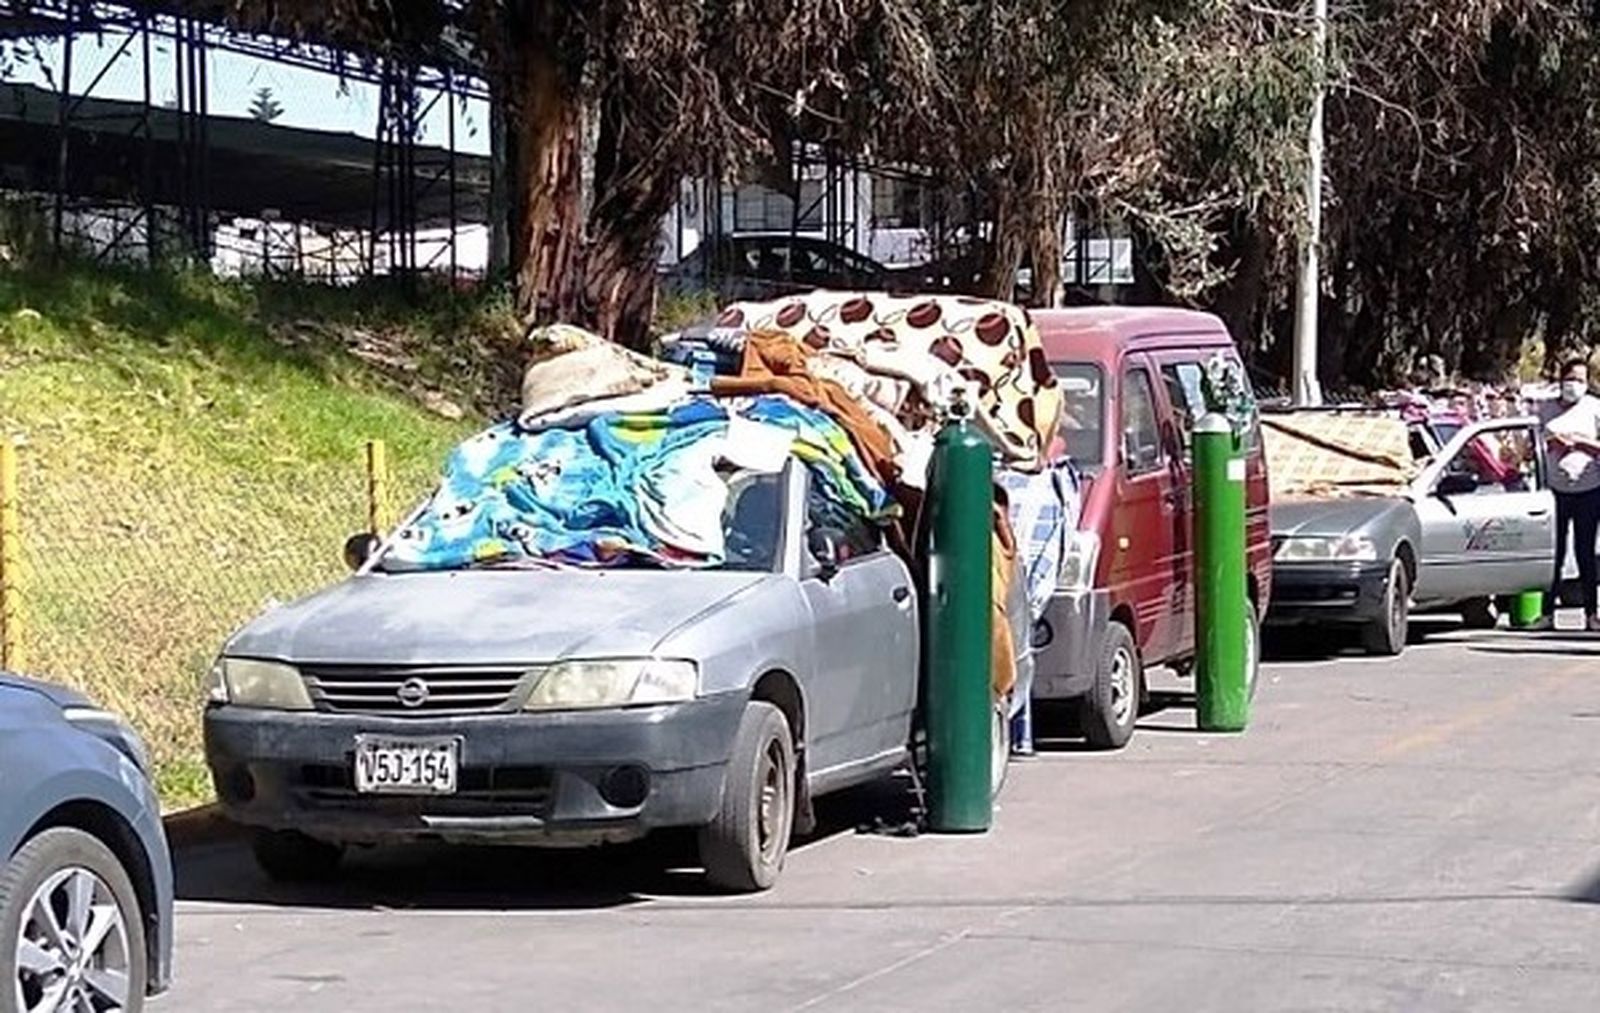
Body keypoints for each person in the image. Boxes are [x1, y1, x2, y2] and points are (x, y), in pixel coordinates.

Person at [1537, 356, 1600, 632]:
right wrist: (1553, 441)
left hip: (1588, 490)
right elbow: (1533, 443)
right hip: (1554, 492)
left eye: (1580, 380)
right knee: (1555, 553)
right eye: (1570, 379)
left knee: (1584, 552)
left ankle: (1591, 613)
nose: (1574, 385)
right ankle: (1547, 613)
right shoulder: (1546, 409)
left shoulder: (1595, 408)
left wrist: (1582, 442)